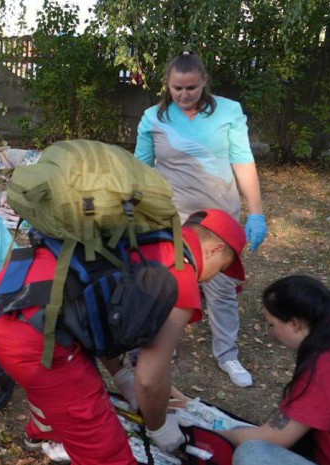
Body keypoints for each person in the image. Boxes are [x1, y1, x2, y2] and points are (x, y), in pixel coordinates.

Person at [0, 209, 247, 465]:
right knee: (107, 454)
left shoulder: (148, 237)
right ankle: (58, 435)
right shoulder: (181, 275)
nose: (213, 277)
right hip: (32, 334)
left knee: (55, 391)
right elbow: (150, 378)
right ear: (215, 250)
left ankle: (43, 433)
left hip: (5, 298)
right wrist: (159, 427)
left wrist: (122, 376)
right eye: (221, 268)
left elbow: (104, 311)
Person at [135, 51, 267, 388]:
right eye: (177, 88)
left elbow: (242, 161)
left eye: (191, 87)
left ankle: (227, 354)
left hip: (219, 219)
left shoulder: (228, 112)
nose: (184, 94)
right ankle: (159, 344)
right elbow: (139, 169)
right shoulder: (153, 118)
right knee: (168, 283)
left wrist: (256, 212)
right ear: (167, 84)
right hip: (173, 217)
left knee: (221, 288)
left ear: (204, 82)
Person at [219, 275, 330, 465]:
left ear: (295, 323)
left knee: (252, 452)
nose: (271, 334)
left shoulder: (324, 367)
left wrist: (210, 433)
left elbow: (273, 437)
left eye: (272, 324)